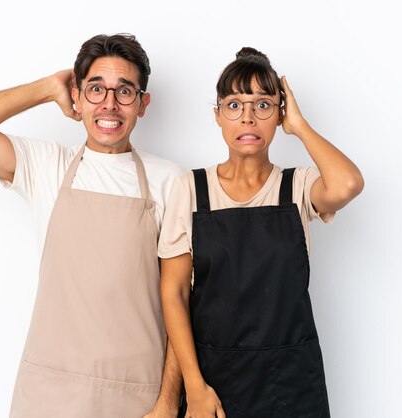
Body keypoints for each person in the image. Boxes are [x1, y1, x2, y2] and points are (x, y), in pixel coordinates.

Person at [0, 33, 183, 418]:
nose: (109, 105)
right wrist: (46, 88)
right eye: (96, 89)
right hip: (49, 393)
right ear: (78, 97)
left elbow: (183, 301)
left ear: (143, 103)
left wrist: (167, 403)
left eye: (125, 91)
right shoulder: (45, 164)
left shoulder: (171, 180)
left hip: (136, 395)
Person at [159, 47, 364, 417]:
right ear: (217, 115)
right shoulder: (191, 189)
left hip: (292, 381)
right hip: (214, 381)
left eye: (263, 105)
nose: (248, 118)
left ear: (279, 114)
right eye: (235, 105)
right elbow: (173, 293)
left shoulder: (297, 186)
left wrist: (299, 126)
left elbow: (348, 183)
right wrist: (194, 385)